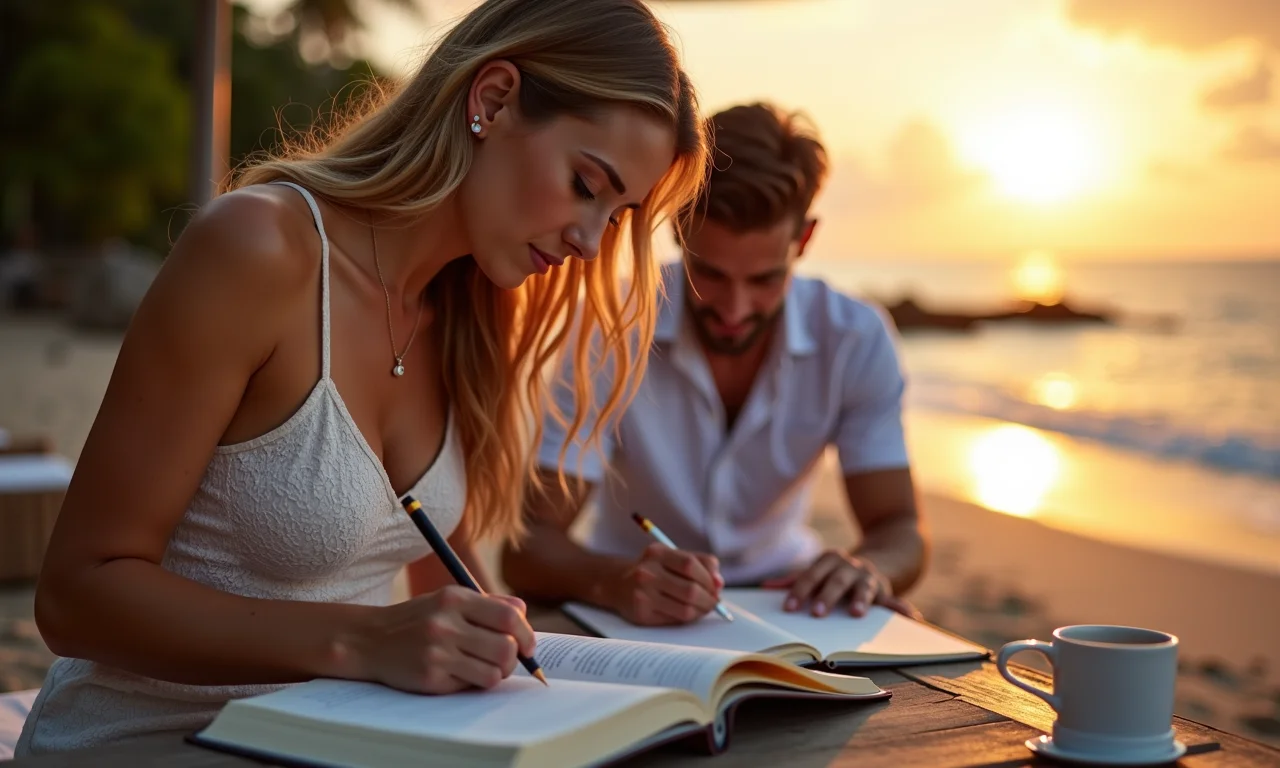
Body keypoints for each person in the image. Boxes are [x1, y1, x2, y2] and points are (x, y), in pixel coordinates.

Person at [16, 0, 707, 755]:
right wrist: (363, 640)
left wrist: (514, 632)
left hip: (343, 741)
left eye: (617, 215)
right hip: (154, 738)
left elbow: (440, 571)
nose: (587, 240)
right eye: (585, 184)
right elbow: (77, 594)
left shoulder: (475, 311)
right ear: (494, 99)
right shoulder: (260, 252)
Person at [502, 102, 927, 626]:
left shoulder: (855, 338)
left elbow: (898, 527)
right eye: (713, 276)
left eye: (765, 280)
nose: (735, 309)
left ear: (806, 239)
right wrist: (615, 581)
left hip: (790, 603)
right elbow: (527, 548)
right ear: (679, 230)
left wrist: (869, 568)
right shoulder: (610, 327)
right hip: (630, 603)